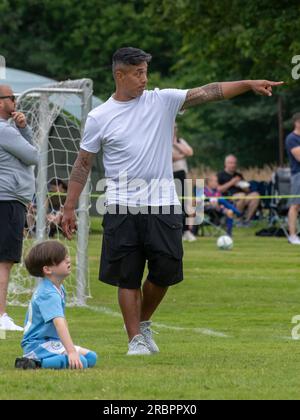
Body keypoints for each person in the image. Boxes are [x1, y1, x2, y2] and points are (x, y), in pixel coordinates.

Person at [61, 46, 283, 356]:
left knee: (165, 270)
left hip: (163, 204)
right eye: (138, 73)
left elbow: (208, 92)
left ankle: (144, 322)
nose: (144, 79)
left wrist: (247, 84)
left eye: (146, 72)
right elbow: (83, 163)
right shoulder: (99, 117)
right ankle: (135, 340)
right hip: (121, 206)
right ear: (119, 75)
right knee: (127, 276)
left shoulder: (161, 100)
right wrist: (69, 206)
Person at [17, 240, 98, 370]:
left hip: (52, 342)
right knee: (80, 361)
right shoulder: (48, 293)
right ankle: (33, 363)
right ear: (47, 269)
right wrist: (71, 352)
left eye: (66, 256)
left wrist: (67, 347)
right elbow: (59, 323)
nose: (67, 260)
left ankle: (50, 358)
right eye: (62, 259)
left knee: (91, 357)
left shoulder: (58, 288)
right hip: (38, 345)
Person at [0, 84, 39, 331]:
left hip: (7, 199)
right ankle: (1, 316)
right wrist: (24, 130)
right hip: (8, 200)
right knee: (4, 261)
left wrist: (23, 127)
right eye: (11, 97)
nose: (15, 101)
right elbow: (34, 156)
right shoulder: (6, 131)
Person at [218, 155, 260, 226]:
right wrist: (232, 182)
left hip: (242, 197)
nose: (233, 165)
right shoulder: (220, 175)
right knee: (241, 196)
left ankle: (247, 220)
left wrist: (245, 188)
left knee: (256, 195)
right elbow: (218, 190)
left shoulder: (239, 175)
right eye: (231, 163)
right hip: (228, 199)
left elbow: (247, 190)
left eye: (234, 163)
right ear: (225, 164)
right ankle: (238, 220)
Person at [172, 124, 196, 242]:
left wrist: (176, 144)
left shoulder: (180, 141)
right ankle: (177, 230)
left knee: (185, 203)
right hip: (171, 175)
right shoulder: (163, 141)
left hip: (182, 174)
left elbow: (190, 152)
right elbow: (170, 157)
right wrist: (182, 155)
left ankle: (187, 231)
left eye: (175, 128)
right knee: (175, 203)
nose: (174, 130)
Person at [286, 113, 300, 245]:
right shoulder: (292, 138)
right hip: (298, 175)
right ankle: (292, 235)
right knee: (295, 205)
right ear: (296, 122)